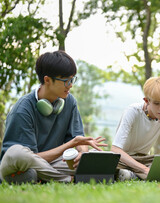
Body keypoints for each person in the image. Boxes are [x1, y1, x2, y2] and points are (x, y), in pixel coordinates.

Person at [0, 51, 107, 184]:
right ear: (47, 80)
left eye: (72, 79)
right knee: (18, 153)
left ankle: (43, 177)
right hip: (16, 166)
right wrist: (71, 144)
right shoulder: (22, 110)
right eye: (66, 81)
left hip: (50, 164)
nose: (71, 85)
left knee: (97, 159)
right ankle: (67, 179)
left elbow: (79, 139)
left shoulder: (69, 101)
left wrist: (82, 155)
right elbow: (31, 158)